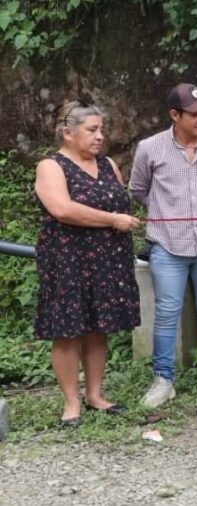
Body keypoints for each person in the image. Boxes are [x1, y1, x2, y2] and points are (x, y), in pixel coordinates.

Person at [130, 84, 197, 407]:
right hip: (167, 245)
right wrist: (168, 212)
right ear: (174, 115)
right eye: (194, 114)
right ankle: (163, 379)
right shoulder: (150, 149)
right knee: (166, 313)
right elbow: (138, 189)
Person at [34, 100, 141, 426]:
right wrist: (112, 219)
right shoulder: (51, 166)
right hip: (68, 258)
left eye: (101, 130)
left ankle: (95, 395)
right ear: (68, 133)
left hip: (108, 257)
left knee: (98, 327)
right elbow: (62, 209)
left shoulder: (108, 164)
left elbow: (121, 201)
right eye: (92, 130)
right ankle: (71, 403)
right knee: (67, 330)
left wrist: (119, 220)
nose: (100, 136)